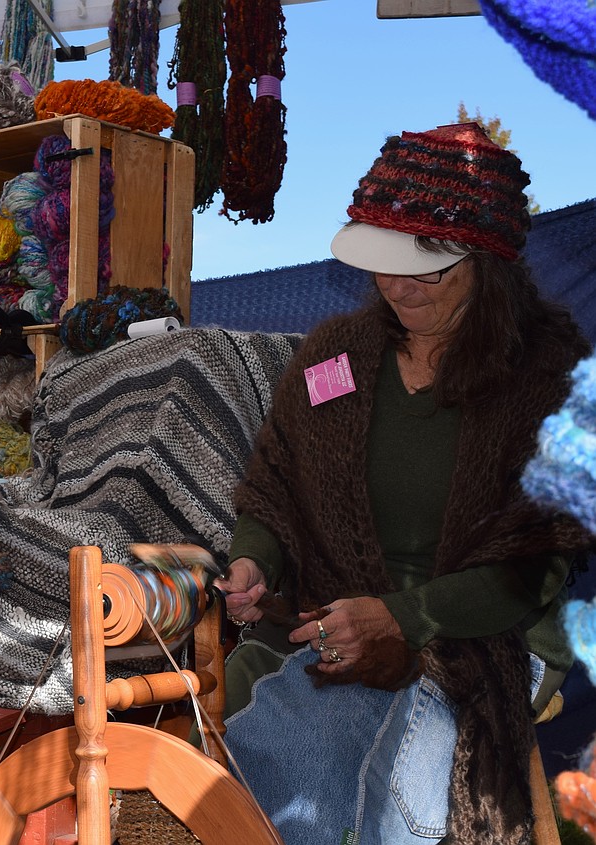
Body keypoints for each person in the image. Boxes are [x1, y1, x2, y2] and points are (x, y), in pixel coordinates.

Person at [215, 122, 593, 845]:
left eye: (429, 270)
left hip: (476, 647)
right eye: (388, 263)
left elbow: (530, 565)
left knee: (359, 770)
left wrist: (401, 618)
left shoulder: (543, 377)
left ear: (488, 263)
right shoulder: (337, 357)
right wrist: (253, 559)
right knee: (261, 735)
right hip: (322, 632)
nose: (398, 287)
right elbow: (274, 481)